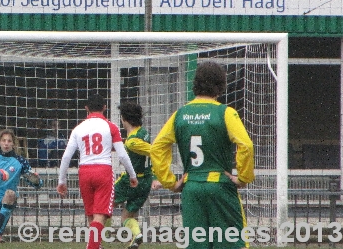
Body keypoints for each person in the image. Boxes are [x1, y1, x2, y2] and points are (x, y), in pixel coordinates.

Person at [150, 61, 255, 249]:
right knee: (231, 242)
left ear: (195, 84)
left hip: (191, 188)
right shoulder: (225, 113)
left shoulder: (180, 114)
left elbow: (157, 147)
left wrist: (170, 182)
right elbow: (245, 145)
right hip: (219, 187)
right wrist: (243, 177)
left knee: (197, 244)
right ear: (220, 86)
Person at [56, 93, 138, 249]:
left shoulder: (78, 128)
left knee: (91, 214)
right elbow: (122, 154)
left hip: (84, 171)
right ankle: (92, 247)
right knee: (100, 214)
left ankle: (96, 245)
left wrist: (62, 181)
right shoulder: (111, 126)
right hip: (103, 171)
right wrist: (132, 175)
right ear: (104, 107)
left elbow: (66, 157)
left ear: (86, 108)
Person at [109, 101, 157, 249]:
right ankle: (136, 236)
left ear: (124, 118)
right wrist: (154, 176)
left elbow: (154, 151)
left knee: (105, 205)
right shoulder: (144, 132)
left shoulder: (132, 141)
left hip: (132, 180)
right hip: (146, 181)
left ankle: (99, 239)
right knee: (127, 215)